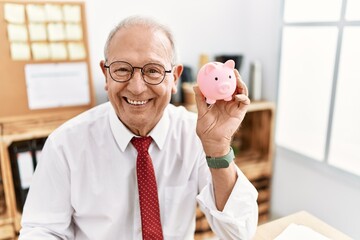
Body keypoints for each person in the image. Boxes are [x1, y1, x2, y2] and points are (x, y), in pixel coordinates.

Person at [19, 15, 258, 240]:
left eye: (152, 71)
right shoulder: (65, 144)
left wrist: (217, 148)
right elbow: (41, 230)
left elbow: (239, 233)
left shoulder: (195, 134)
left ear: (174, 78)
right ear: (106, 74)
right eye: (122, 69)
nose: (136, 87)